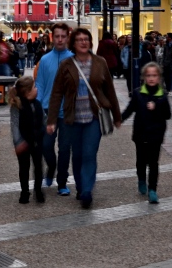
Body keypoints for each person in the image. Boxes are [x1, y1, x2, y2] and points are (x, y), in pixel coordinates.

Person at [47, 27, 122, 208]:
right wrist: (51, 120)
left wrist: (117, 115)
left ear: (90, 42)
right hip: (72, 117)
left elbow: (109, 90)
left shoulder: (100, 62)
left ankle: (87, 190)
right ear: (73, 43)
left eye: (86, 39)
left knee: (89, 154)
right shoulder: (66, 64)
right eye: (79, 39)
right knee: (78, 155)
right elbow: (57, 93)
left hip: (93, 117)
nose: (83, 42)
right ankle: (81, 187)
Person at [122, 62, 171, 204]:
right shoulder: (138, 93)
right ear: (143, 77)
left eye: (154, 75)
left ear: (159, 78)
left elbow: (168, 115)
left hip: (156, 133)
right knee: (141, 160)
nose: (151, 78)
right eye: (148, 75)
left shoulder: (162, 95)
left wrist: (157, 106)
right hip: (141, 132)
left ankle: (152, 189)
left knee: (154, 162)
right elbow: (130, 109)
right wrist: (120, 119)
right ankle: (141, 179)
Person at [35, 22, 74, 196]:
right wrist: (37, 105)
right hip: (47, 110)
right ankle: (51, 167)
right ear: (52, 37)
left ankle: (62, 182)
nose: (59, 39)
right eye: (56, 36)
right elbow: (40, 84)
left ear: (67, 37)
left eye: (62, 36)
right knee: (46, 145)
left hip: (66, 111)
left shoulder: (74, 59)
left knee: (65, 148)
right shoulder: (44, 60)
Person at [9, 76, 46, 204]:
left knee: (38, 167)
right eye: (34, 87)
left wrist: (46, 129)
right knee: (24, 168)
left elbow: (43, 119)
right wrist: (18, 142)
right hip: (24, 142)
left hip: (37, 140)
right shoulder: (17, 106)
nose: (37, 89)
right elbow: (14, 125)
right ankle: (24, 192)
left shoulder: (37, 104)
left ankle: (38, 190)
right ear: (27, 91)